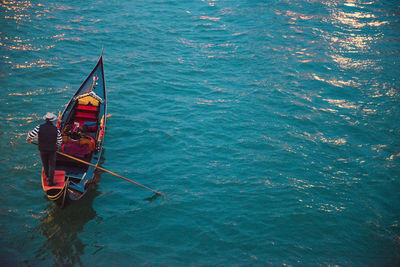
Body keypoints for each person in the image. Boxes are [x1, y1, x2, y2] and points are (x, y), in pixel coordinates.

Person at [26, 112, 62, 186]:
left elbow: (32, 134)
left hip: (42, 149)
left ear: (46, 120)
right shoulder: (56, 129)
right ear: (52, 120)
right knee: (52, 165)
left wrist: (28, 139)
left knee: (45, 164)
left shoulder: (39, 127)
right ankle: (50, 182)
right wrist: (57, 147)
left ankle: (48, 177)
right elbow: (60, 141)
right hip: (52, 150)